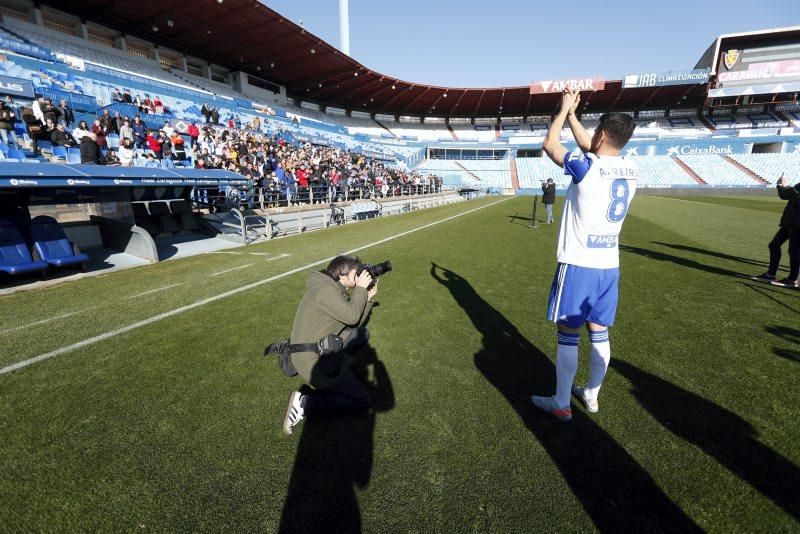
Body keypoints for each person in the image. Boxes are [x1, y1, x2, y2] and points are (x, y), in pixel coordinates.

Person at [530, 88, 638, 421]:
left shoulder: (587, 167)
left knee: (568, 334)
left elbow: (550, 145)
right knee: (599, 331)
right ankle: (592, 394)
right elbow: (591, 148)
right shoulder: (630, 170)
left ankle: (562, 403)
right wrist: (576, 116)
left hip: (579, 265)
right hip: (609, 266)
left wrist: (563, 111)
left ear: (602, 134)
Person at [282, 255, 379, 435]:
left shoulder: (330, 287)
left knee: (361, 334)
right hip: (310, 358)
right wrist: (360, 289)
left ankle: (336, 375)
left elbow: (352, 323)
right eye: (355, 273)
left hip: (315, 346)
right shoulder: (326, 291)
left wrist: (368, 298)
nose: (359, 276)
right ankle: (304, 402)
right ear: (342, 276)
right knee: (361, 399)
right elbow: (351, 316)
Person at [753, 174, 800, 288]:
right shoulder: (799, 185)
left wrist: (786, 186)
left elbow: (796, 197)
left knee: (794, 252)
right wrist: (780, 186)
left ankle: (792, 279)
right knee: (774, 245)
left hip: (798, 225)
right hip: (789, 222)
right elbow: (786, 196)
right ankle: (770, 274)